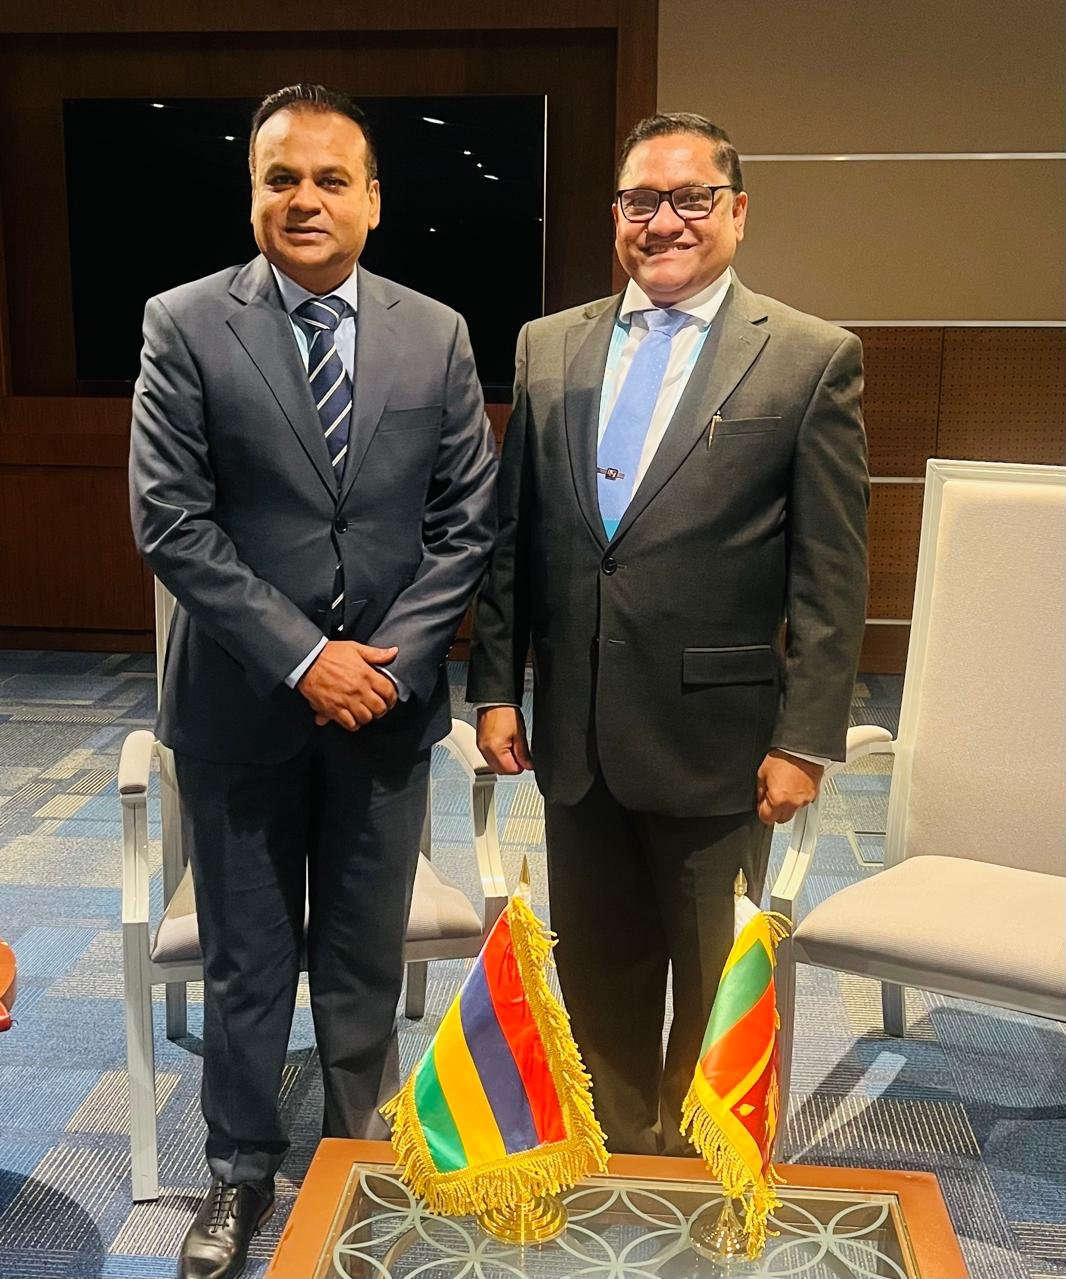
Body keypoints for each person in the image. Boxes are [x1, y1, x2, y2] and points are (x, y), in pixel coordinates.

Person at [129, 84, 496, 1279]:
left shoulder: (435, 332)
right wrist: (304, 657)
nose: (304, 198)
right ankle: (239, 1169)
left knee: (360, 960)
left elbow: (465, 521)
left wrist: (387, 663)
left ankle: (357, 1165)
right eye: (279, 177)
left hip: (384, 707)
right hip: (241, 706)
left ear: (372, 201)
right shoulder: (185, 323)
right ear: (252, 193)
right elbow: (171, 521)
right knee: (246, 962)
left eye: (330, 179)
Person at [468, 112, 868, 1157]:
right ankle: (614, 1157)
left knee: (710, 983)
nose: (664, 221)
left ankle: (695, 1180)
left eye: (692, 199)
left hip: (720, 745)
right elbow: (516, 536)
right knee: (595, 972)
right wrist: (496, 686)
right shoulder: (548, 345)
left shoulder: (809, 358)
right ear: (616, 216)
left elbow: (831, 576)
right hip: (577, 736)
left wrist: (805, 739)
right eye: (641, 201)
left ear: (737, 212)